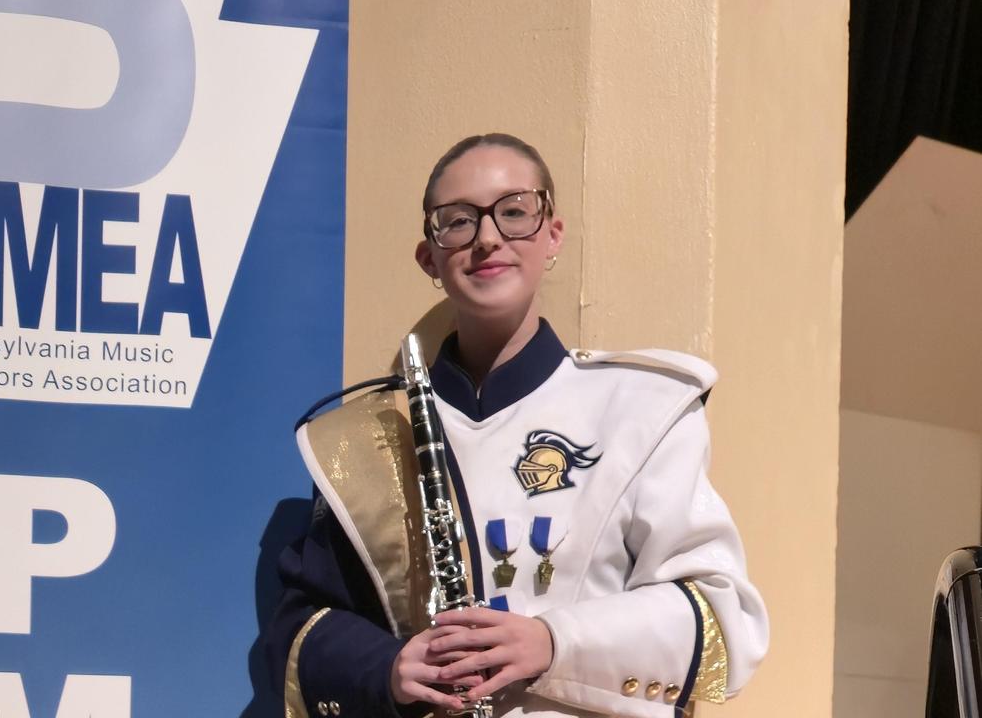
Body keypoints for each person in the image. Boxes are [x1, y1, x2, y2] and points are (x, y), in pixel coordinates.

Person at [270, 133, 767, 717]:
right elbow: (303, 626)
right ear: (429, 256)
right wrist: (387, 668)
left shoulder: (643, 407)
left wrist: (554, 642)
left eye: (514, 213)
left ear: (551, 234)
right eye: (457, 221)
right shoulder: (366, 439)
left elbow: (721, 619)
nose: (487, 238)